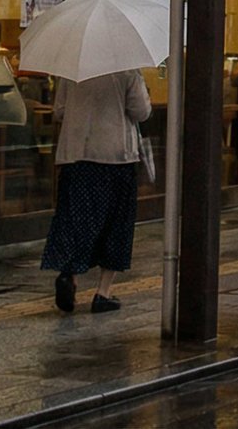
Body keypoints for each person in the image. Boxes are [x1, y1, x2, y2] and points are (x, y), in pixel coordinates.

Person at [41, 69, 150, 312]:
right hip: (116, 158)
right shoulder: (127, 69)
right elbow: (141, 111)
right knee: (116, 224)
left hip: (76, 156)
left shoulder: (73, 68)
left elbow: (59, 111)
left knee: (76, 219)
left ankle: (69, 274)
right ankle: (103, 292)